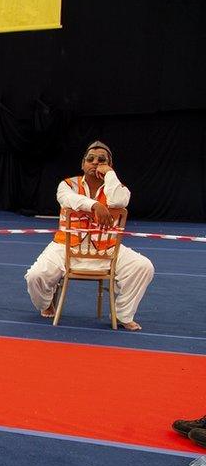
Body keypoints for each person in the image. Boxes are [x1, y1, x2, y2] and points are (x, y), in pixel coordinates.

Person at [24, 141, 153, 331]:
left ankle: (122, 314)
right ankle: (46, 302)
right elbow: (68, 199)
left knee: (143, 267)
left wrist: (109, 174)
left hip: (106, 248)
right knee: (35, 276)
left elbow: (119, 200)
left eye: (102, 160)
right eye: (90, 159)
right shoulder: (67, 185)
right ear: (82, 164)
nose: (95, 163)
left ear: (110, 165)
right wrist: (95, 205)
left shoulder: (117, 187)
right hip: (66, 246)